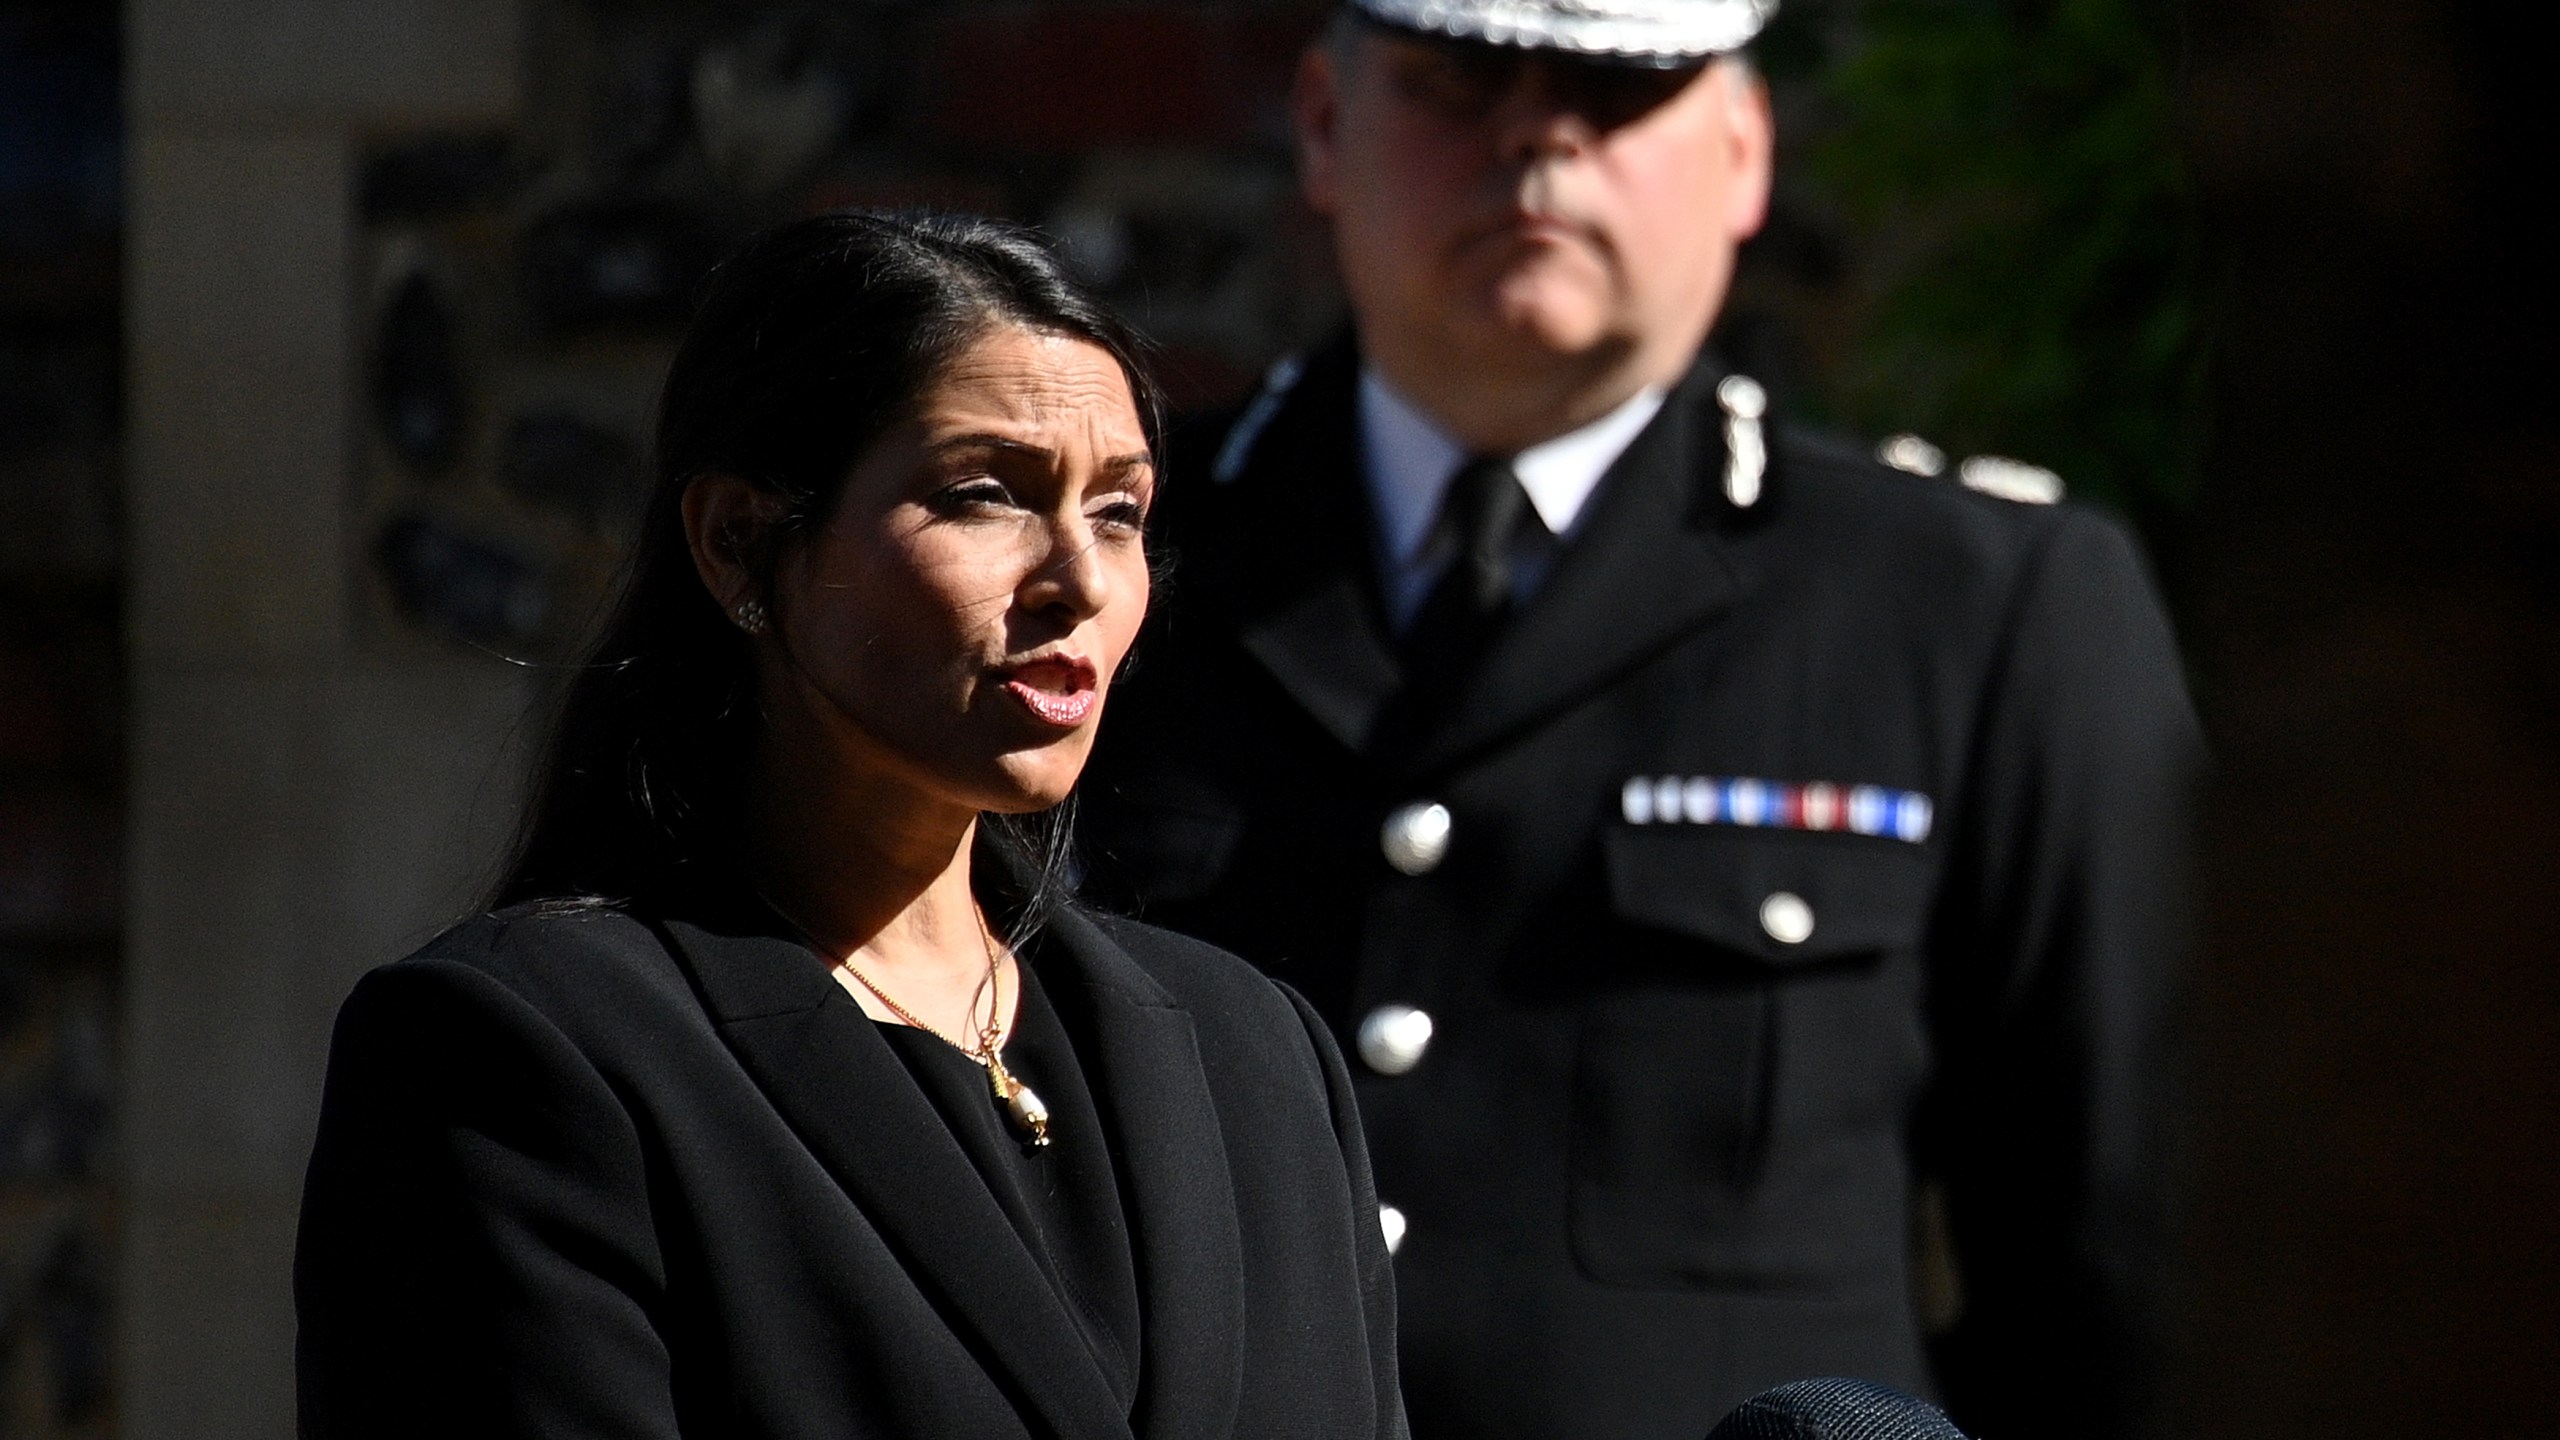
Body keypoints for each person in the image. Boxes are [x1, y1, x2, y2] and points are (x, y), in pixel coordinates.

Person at [1079, 3, 2203, 1437]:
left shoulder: (1981, 609)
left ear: (1745, 151)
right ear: (1319, 124)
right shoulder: (1107, 583)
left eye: (1620, 90)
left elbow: (2130, 1272)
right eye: (1461, 77)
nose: (1539, 137)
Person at [295, 211, 1407, 1440]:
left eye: (1120, 512)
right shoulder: (536, 1054)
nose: (1080, 582)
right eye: (985, 495)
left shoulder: (1258, 1059)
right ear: (737, 543)